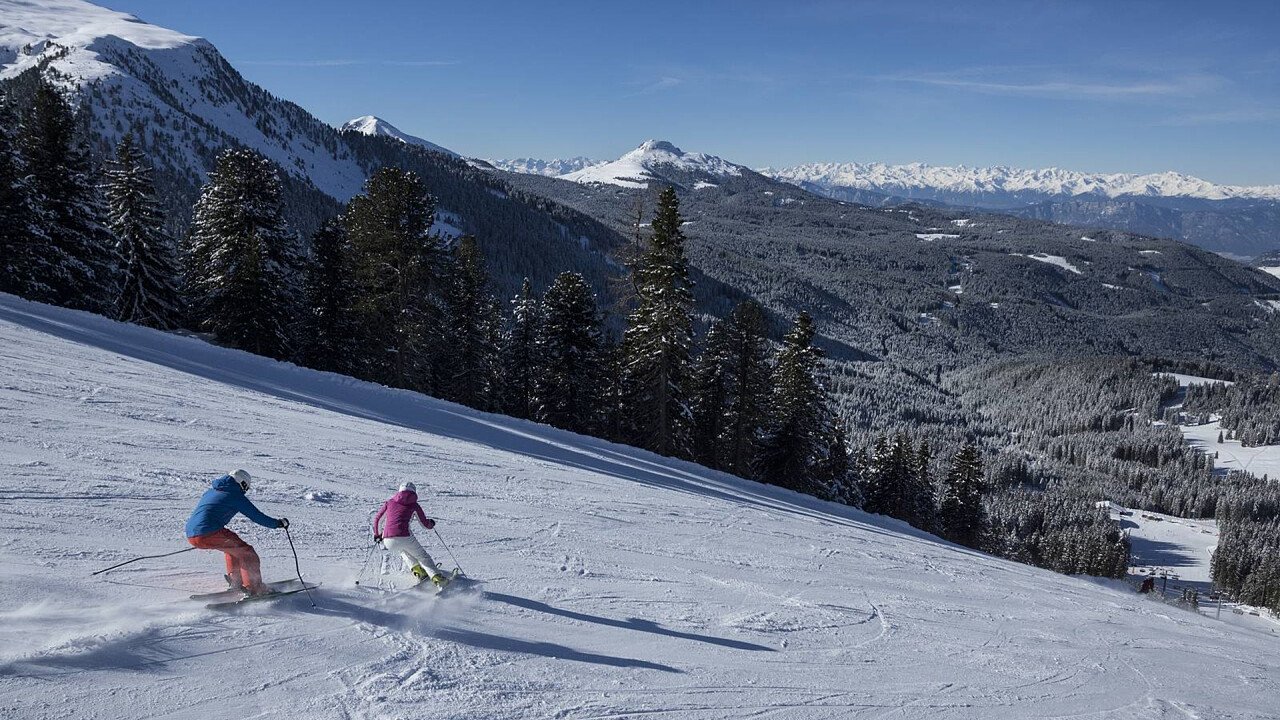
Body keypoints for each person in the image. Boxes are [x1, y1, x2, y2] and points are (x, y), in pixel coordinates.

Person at [185, 469, 288, 596]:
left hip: (192, 534)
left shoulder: (212, 491)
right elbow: (256, 516)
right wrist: (277, 523)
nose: (246, 491)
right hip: (209, 531)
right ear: (243, 483)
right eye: (246, 487)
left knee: (233, 548)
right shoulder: (234, 495)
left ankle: (236, 582)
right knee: (247, 553)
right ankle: (255, 588)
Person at [373, 482, 446, 587]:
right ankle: (438, 578)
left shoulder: (389, 503)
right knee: (423, 557)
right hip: (404, 535)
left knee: (403, 551)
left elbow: (378, 519)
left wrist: (377, 534)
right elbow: (424, 524)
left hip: (388, 539)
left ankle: (419, 571)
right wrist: (431, 524)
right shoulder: (414, 505)